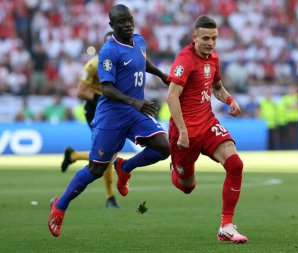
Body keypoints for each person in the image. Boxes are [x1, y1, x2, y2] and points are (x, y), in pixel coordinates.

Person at [48, 4, 171, 237]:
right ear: (111, 25)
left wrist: (161, 74)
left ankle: (125, 166)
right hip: (112, 115)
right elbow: (106, 88)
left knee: (164, 147)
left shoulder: (139, 41)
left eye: (129, 20)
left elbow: (142, 62)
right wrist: (134, 102)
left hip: (135, 113)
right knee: (96, 169)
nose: (127, 24)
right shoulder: (108, 51)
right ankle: (60, 206)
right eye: (121, 22)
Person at [166, 15, 248, 243]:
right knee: (187, 186)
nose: (210, 43)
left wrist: (229, 99)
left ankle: (226, 227)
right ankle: (176, 168)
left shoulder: (213, 58)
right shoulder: (185, 60)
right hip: (184, 134)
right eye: (205, 38)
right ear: (194, 37)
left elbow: (216, 86)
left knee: (235, 164)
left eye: (214, 38)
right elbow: (171, 97)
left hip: (208, 124)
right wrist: (182, 131)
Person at [60, 31, 120, 209]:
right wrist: (102, 98)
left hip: (114, 110)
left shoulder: (123, 64)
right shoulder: (93, 65)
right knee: (106, 154)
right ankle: (110, 198)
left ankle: (74, 155)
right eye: (109, 44)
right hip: (96, 110)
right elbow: (80, 92)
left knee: (107, 154)